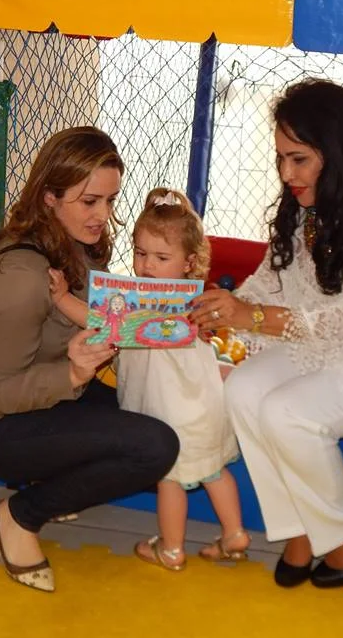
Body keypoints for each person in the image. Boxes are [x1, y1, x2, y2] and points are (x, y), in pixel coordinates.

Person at [190, 78, 343, 589]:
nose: (286, 174)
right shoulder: (310, 201)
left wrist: (250, 316)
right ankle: (300, 529)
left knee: (286, 413)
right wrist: (221, 308)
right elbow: (271, 280)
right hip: (310, 344)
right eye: (281, 159)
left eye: (299, 159)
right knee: (243, 390)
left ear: (338, 151)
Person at [0, 127, 180, 593]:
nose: (103, 216)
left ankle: (54, 482)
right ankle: (20, 515)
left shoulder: (73, 242)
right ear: (49, 197)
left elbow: (101, 314)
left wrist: (174, 316)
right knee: (155, 446)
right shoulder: (21, 276)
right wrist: (73, 372)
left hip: (49, 394)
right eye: (90, 201)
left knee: (161, 412)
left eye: (110, 200)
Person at [51, 187, 248, 571]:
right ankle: (235, 534)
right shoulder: (193, 301)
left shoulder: (148, 303)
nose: (147, 266)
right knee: (213, 470)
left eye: (161, 257)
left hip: (170, 416)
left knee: (169, 479)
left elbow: (97, 321)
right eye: (140, 253)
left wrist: (61, 299)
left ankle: (171, 549)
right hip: (203, 409)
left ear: (190, 262)